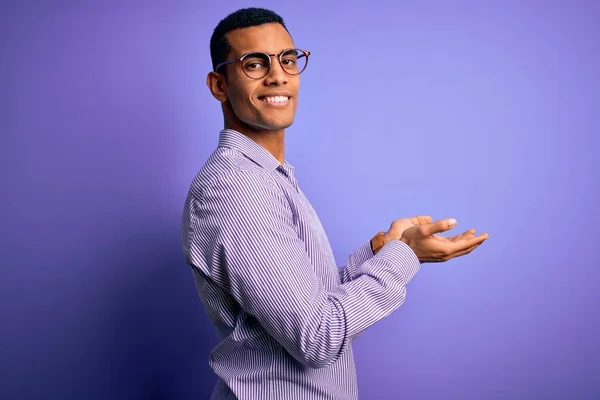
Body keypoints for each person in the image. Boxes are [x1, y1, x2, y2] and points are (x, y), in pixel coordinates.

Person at [180, 7, 488, 400]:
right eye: (254, 63)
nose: (278, 75)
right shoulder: (236, 191)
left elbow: (311, 303)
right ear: (219, 85)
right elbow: (317, 336)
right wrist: (404, 256)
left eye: (287, 60)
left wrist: (382, 249)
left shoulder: (266, 178)